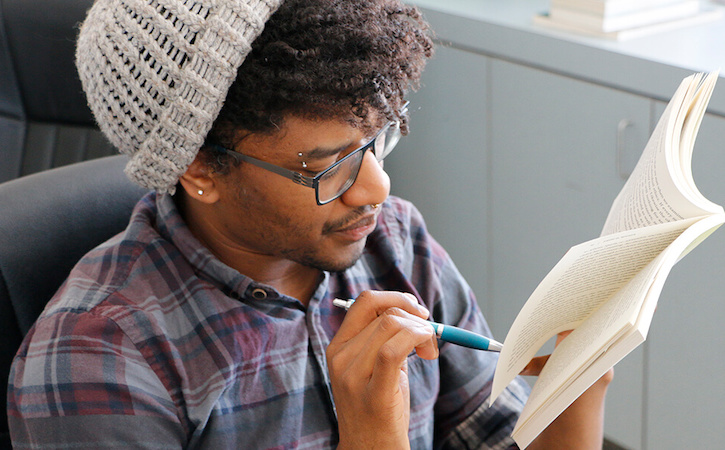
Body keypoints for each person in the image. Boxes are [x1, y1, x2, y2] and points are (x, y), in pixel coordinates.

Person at [7, 0, 612, 448]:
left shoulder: (396, 240)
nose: (379, 189)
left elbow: (494, 435)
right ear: (201, 171)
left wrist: (580, 387)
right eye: (330, 167)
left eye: (376, 141)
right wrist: (373, 436)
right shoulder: (98, 359)